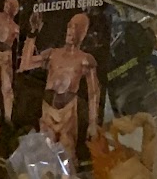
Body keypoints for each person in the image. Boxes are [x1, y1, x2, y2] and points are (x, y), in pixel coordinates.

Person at [19, 12, 101, 156]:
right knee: (45, 150)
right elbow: (25, 64)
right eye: (70, 26)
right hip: (48, 112)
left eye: (76, 27)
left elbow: (93, 92)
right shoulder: (53, 54)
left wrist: (93, 122)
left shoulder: (85, 60)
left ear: (82, 33)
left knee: (67, 149)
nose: (71, 30)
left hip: (67, 114)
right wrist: (32, 34)